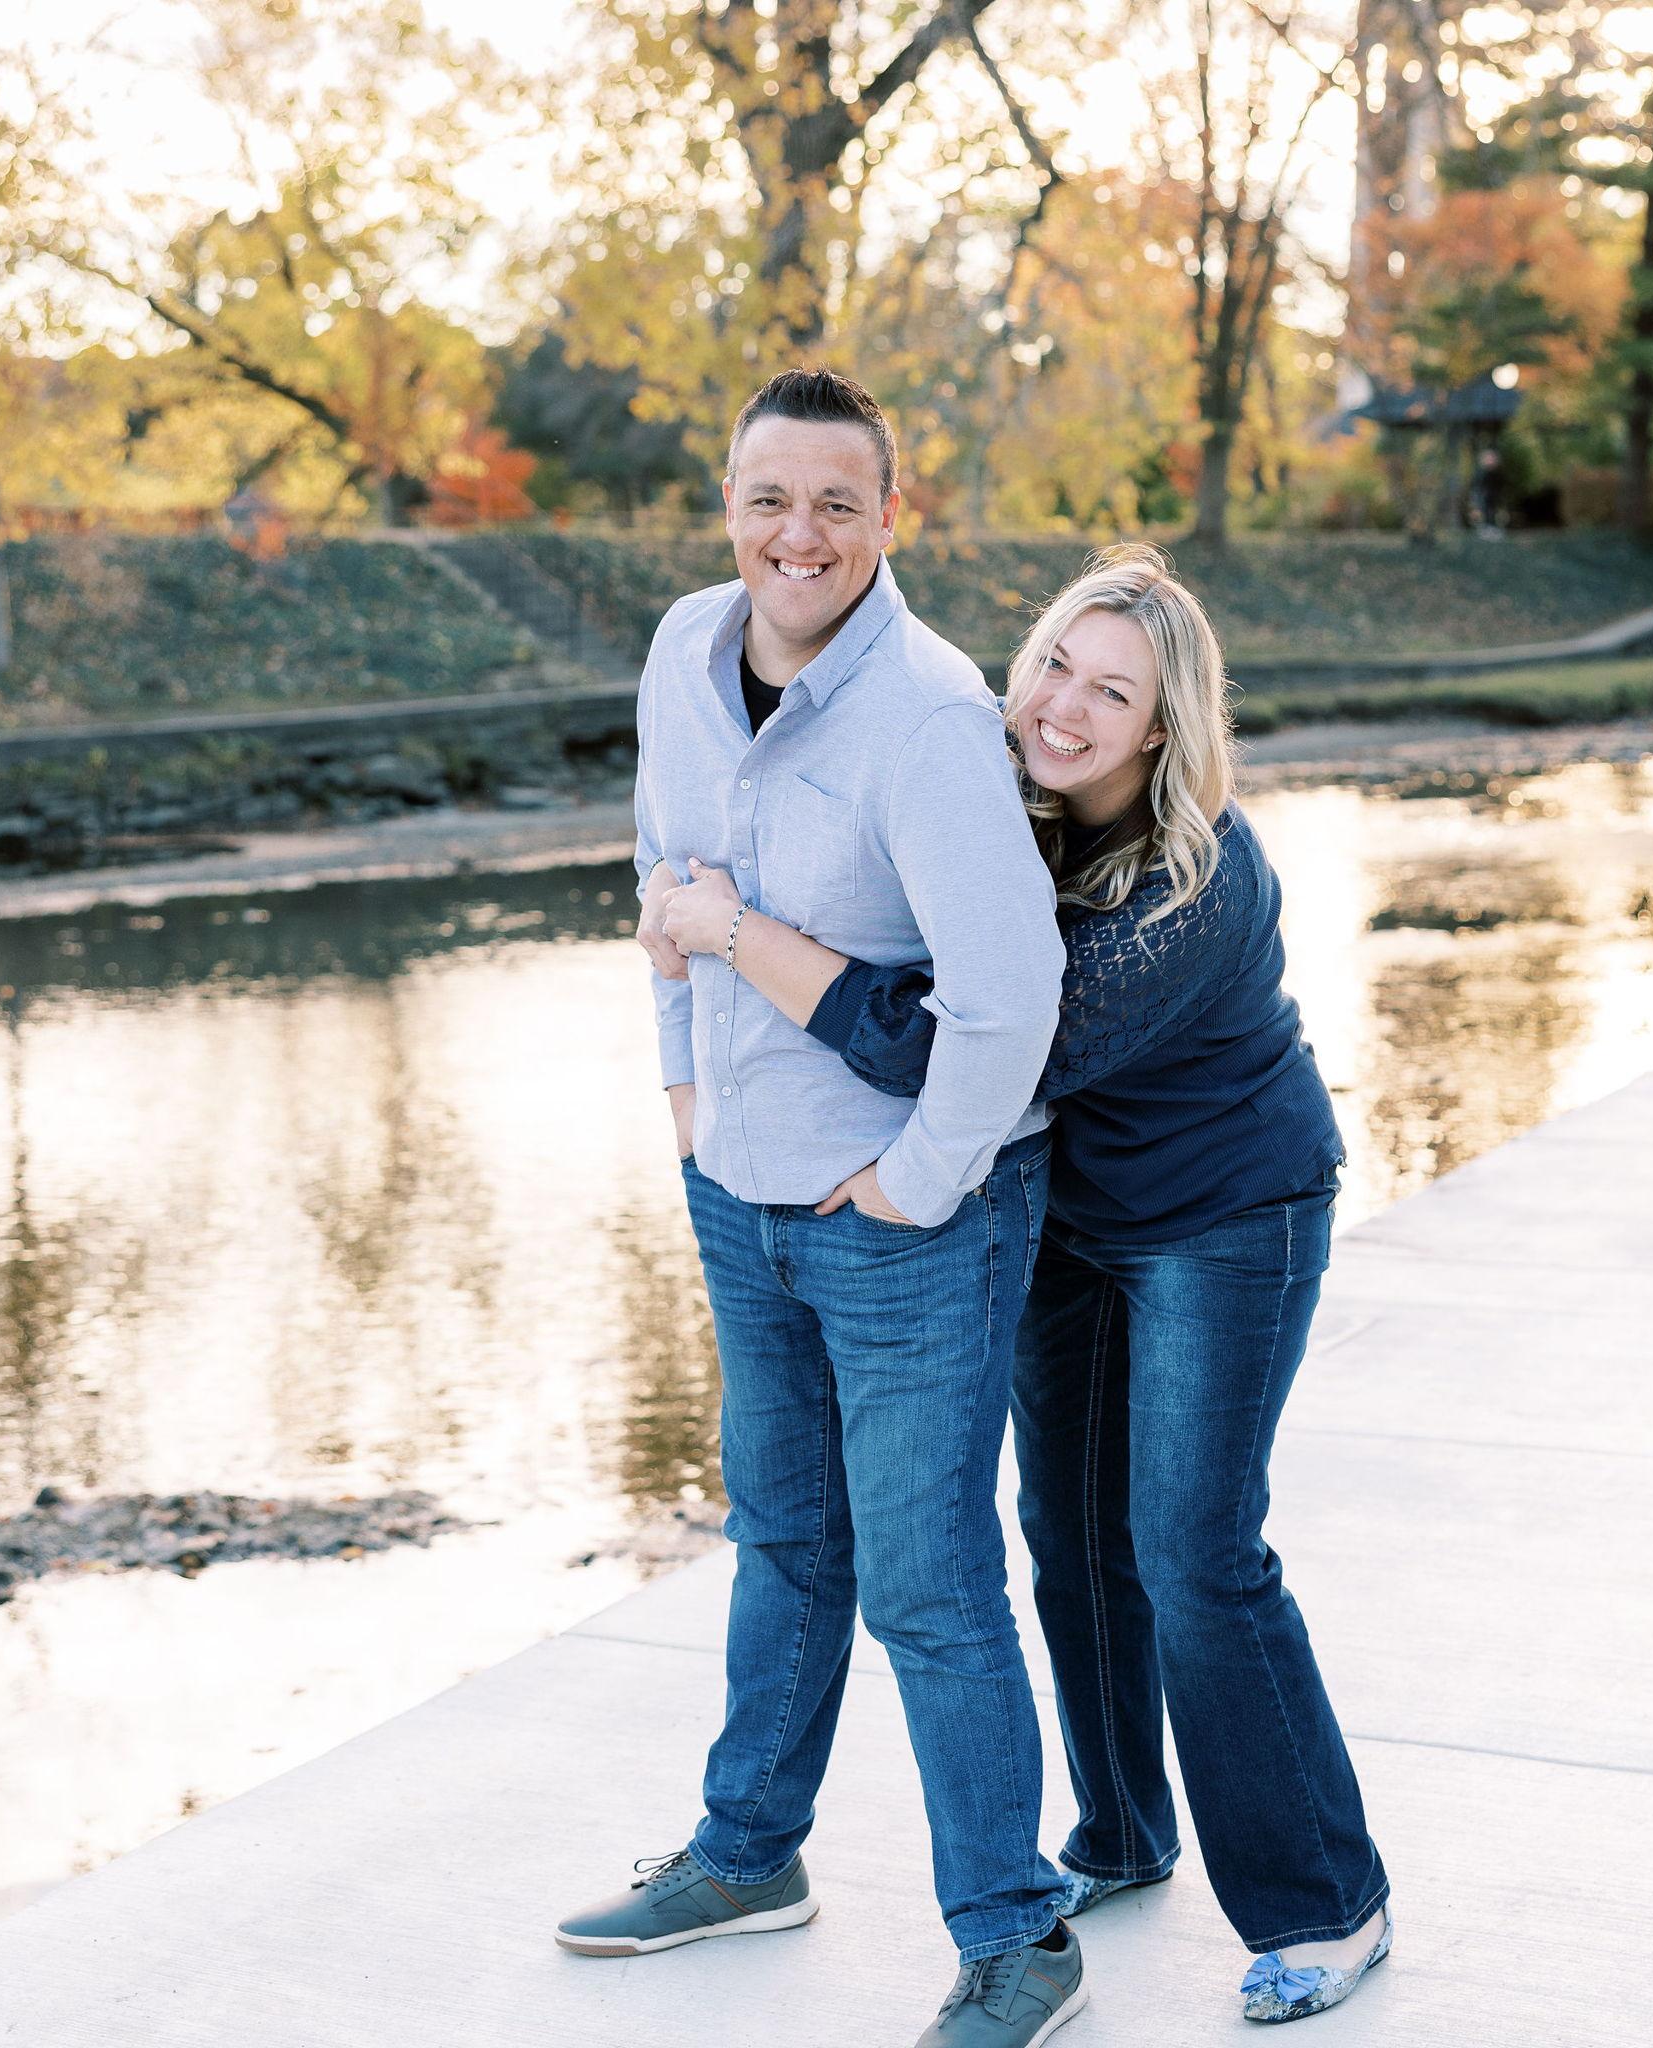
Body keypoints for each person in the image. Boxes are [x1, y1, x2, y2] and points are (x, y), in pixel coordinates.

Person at [658, 545, 1393, 2027]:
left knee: (1197, 1551)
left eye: (1111, 691)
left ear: (1162, 730)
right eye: (1055, 661)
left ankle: (1330, 1902)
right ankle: (1121, 1830)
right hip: (1067, 1216)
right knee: (1067, 1530)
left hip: (1224, 1218)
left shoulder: (1199, 881)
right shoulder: (1002, 800)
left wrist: (739, 936)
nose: (1063, 704)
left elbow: (974, 1053)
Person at [559, 369, 1088, 2048]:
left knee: (928, 1582)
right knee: (784, 1540)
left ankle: (1020, 1939)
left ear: (888, 518)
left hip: (906, 1222)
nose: (801, 536)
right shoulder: (678, 652)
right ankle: (745, 1855)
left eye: (837, 505)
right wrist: (684, 1102)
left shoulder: (929, 718)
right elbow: (661, 886)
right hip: (742, 1190)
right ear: (729, 504)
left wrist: (918, 1182)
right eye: (771, 500)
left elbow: (1013, 1001)